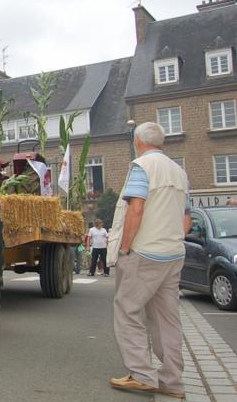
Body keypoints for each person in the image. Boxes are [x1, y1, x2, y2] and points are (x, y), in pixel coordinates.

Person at [109, 122, 191, 399]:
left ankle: (142, 375)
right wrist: (172, 238)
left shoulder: (141, 167)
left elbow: (137, 207)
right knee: (167, 318)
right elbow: (187, 218)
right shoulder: (179, 172)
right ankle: (173, 381)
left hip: (144, 253)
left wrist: (125, 247)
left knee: (127, 310)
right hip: (173, 253)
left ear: (137, 141)